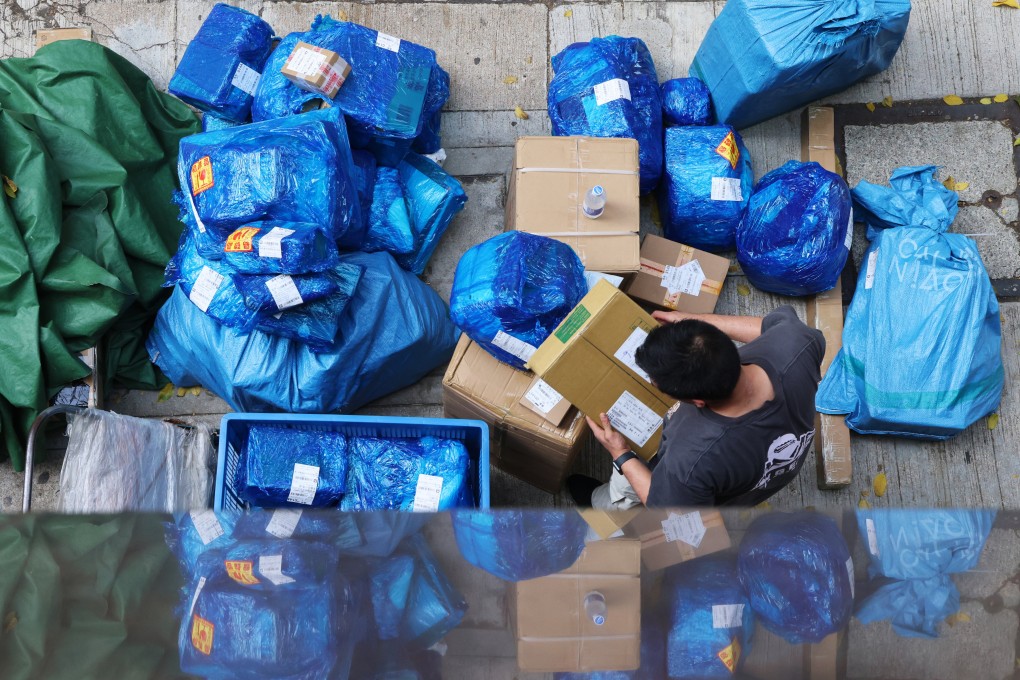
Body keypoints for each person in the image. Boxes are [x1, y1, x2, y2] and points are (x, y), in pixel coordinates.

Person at [567, 305, 825, 508]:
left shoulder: (691, 459)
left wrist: (621, 453)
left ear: (697, 401)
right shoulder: (796, 344)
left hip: (714, 496)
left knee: (631, 499)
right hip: (774, 470)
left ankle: (602, 505)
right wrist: (693, 324)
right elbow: (770, 326)